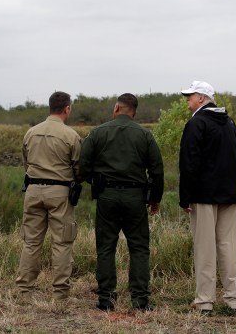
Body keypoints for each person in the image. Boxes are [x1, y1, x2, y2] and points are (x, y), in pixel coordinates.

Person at [79, 93, 164, 312]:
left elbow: (83, 167)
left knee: (106, 247)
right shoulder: (145, 135)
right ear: (134, 111)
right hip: (135, 198)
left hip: (106, 196)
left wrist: (97, 182)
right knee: (139, 248)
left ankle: (106, 298)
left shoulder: (98, 133)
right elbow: (156, 170)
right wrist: (154, 198)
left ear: (116, 108)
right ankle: (140, 300)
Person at [178, 80, 236, 314]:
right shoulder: (229, 122)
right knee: (228, 247)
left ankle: (205, 301)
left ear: (202, 99)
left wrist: (184, 197)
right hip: (232, 194)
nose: (187, 99)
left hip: (204, 195)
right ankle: (235, 299)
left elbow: (188, 164)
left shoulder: (196, 123)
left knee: (205, 248)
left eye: (191, 96)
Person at [16, 91, 82, 301]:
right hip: (60, 192)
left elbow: (26, 164)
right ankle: (60, 293)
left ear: (49, 107)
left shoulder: (31, 133)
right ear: (67, 109)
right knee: (62, 242)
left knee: (31, 242)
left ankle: (24, 291)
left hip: (33, 190)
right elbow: (78, 169)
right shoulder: (71, 135)